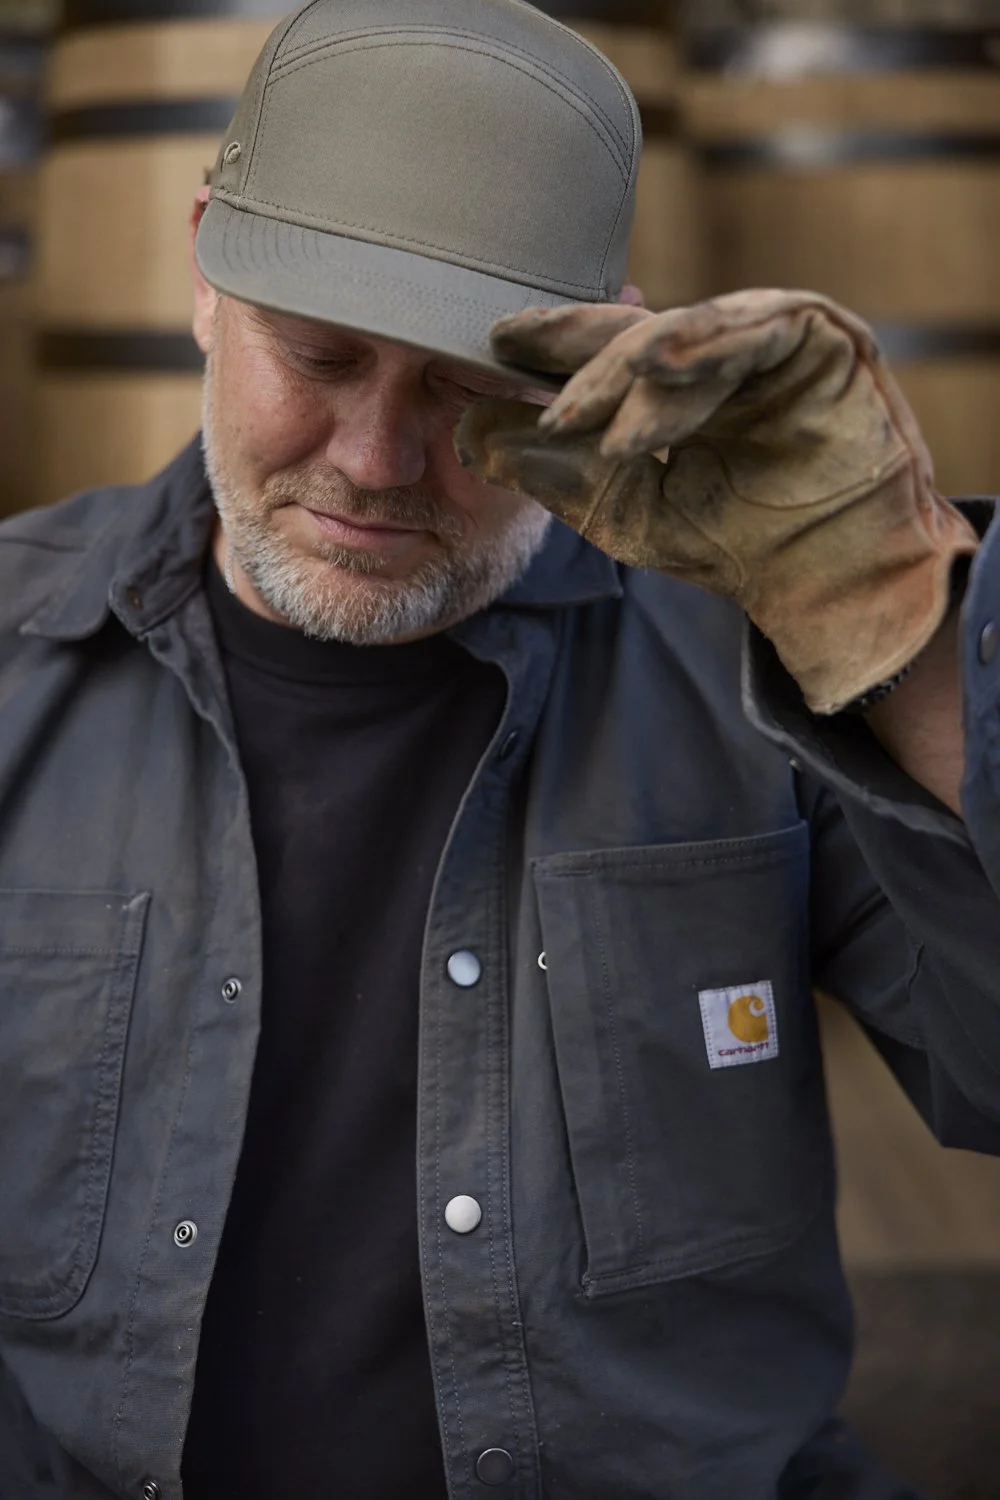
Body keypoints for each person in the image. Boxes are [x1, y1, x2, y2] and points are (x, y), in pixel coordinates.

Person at [1, 1, 999, 1498]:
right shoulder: (15, 663)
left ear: (598, 353)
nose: (379, 459)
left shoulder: (745, 676)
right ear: (206, 259)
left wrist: (904, 630)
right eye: (322, 355)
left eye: (473, 390)